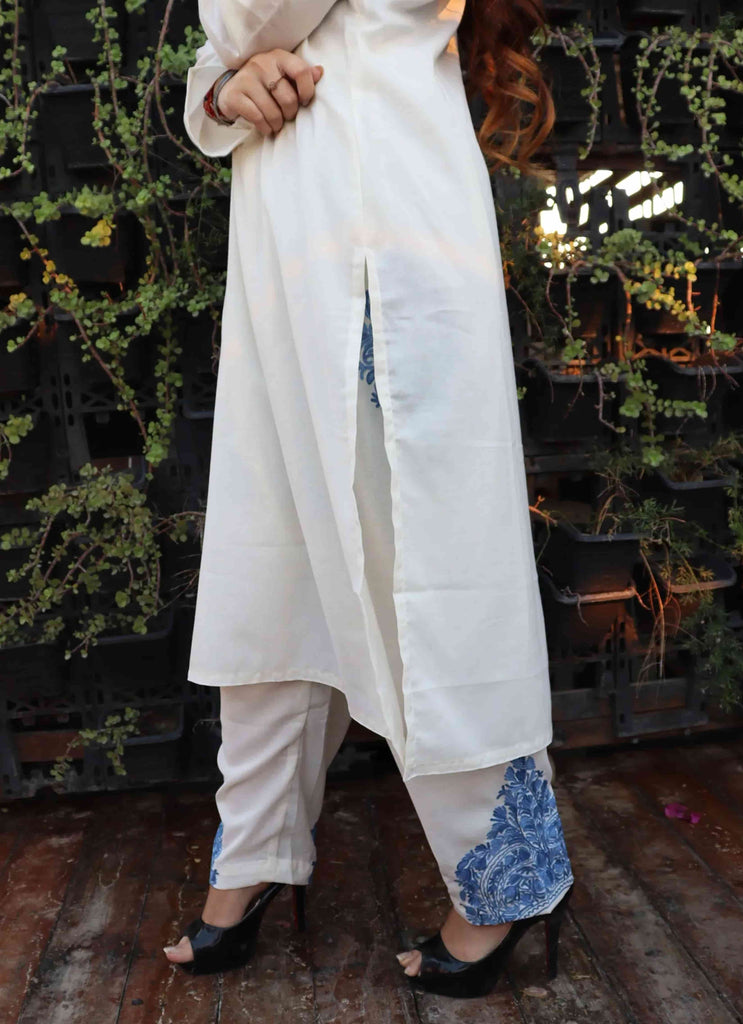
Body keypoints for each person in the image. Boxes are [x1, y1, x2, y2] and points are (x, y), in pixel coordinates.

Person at [164, 0, 575, 997]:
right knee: (276, 562)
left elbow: (247, 14)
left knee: (419, 565)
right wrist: (222, 92)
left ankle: (506, 878)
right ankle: (254, 856)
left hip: (376, 259)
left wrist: (233, 62)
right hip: (293, 246)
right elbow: (235, 54)